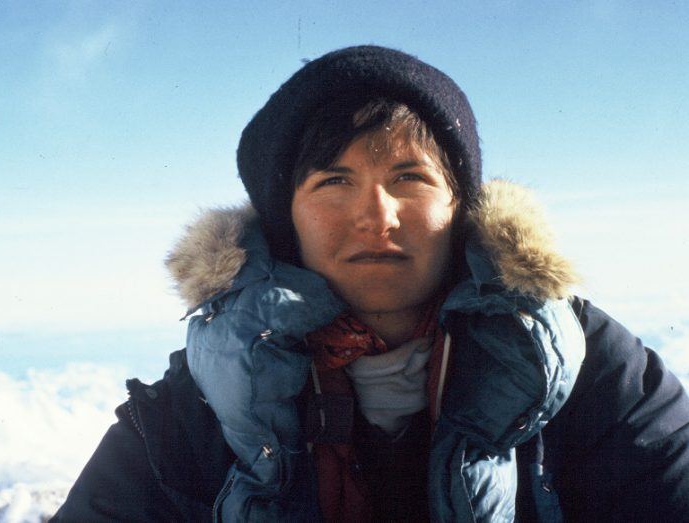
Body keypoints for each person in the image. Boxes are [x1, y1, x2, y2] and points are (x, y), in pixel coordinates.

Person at [52, 46, 689, 522]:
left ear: (460, 208)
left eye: (411, 177)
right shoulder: (197, 408)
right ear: (286, 221)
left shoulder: (588, 368)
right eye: (333, 181)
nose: (376, 215)